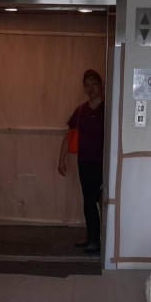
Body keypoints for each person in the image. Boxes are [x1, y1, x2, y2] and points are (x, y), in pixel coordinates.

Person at [58, 69, 106, 254]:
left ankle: (100, 240)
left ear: (101, 86)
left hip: (103, 163)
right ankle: (92, 237)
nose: (90, 88)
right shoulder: (81, 110)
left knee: (99, 201)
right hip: (85, 161)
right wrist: (61, 158)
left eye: (94, 84)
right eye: (87, 85)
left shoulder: (107, 109)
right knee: (88, 201)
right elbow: (69, 134)